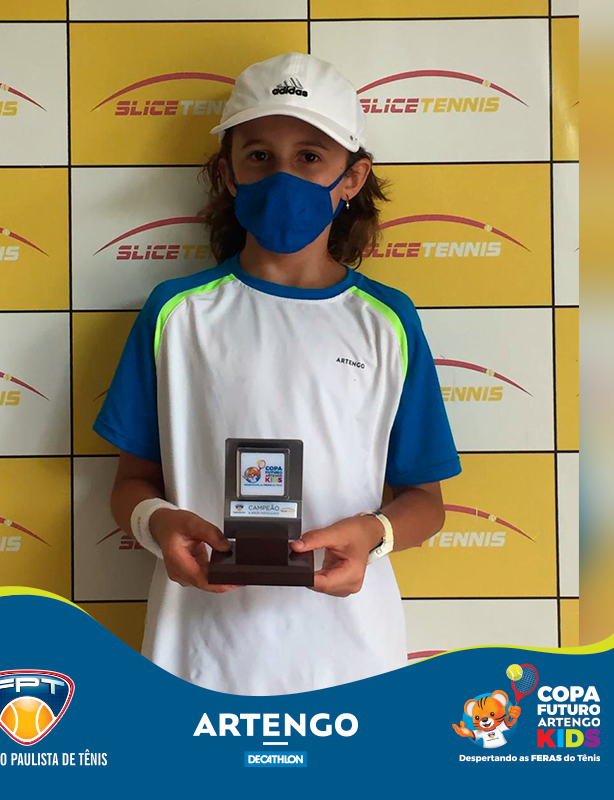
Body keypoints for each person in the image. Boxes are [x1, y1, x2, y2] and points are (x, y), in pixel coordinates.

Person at [93, 52, 461, 695]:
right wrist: (157, 524)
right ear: (229, 174)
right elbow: (131, 483)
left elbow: (426, 503)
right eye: (259, 155)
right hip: (199, 652)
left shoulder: (388, 321)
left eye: (309, 156)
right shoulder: (177, 313)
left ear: (352, 177)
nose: (283, 175)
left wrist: (374, 536)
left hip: (350, 655)